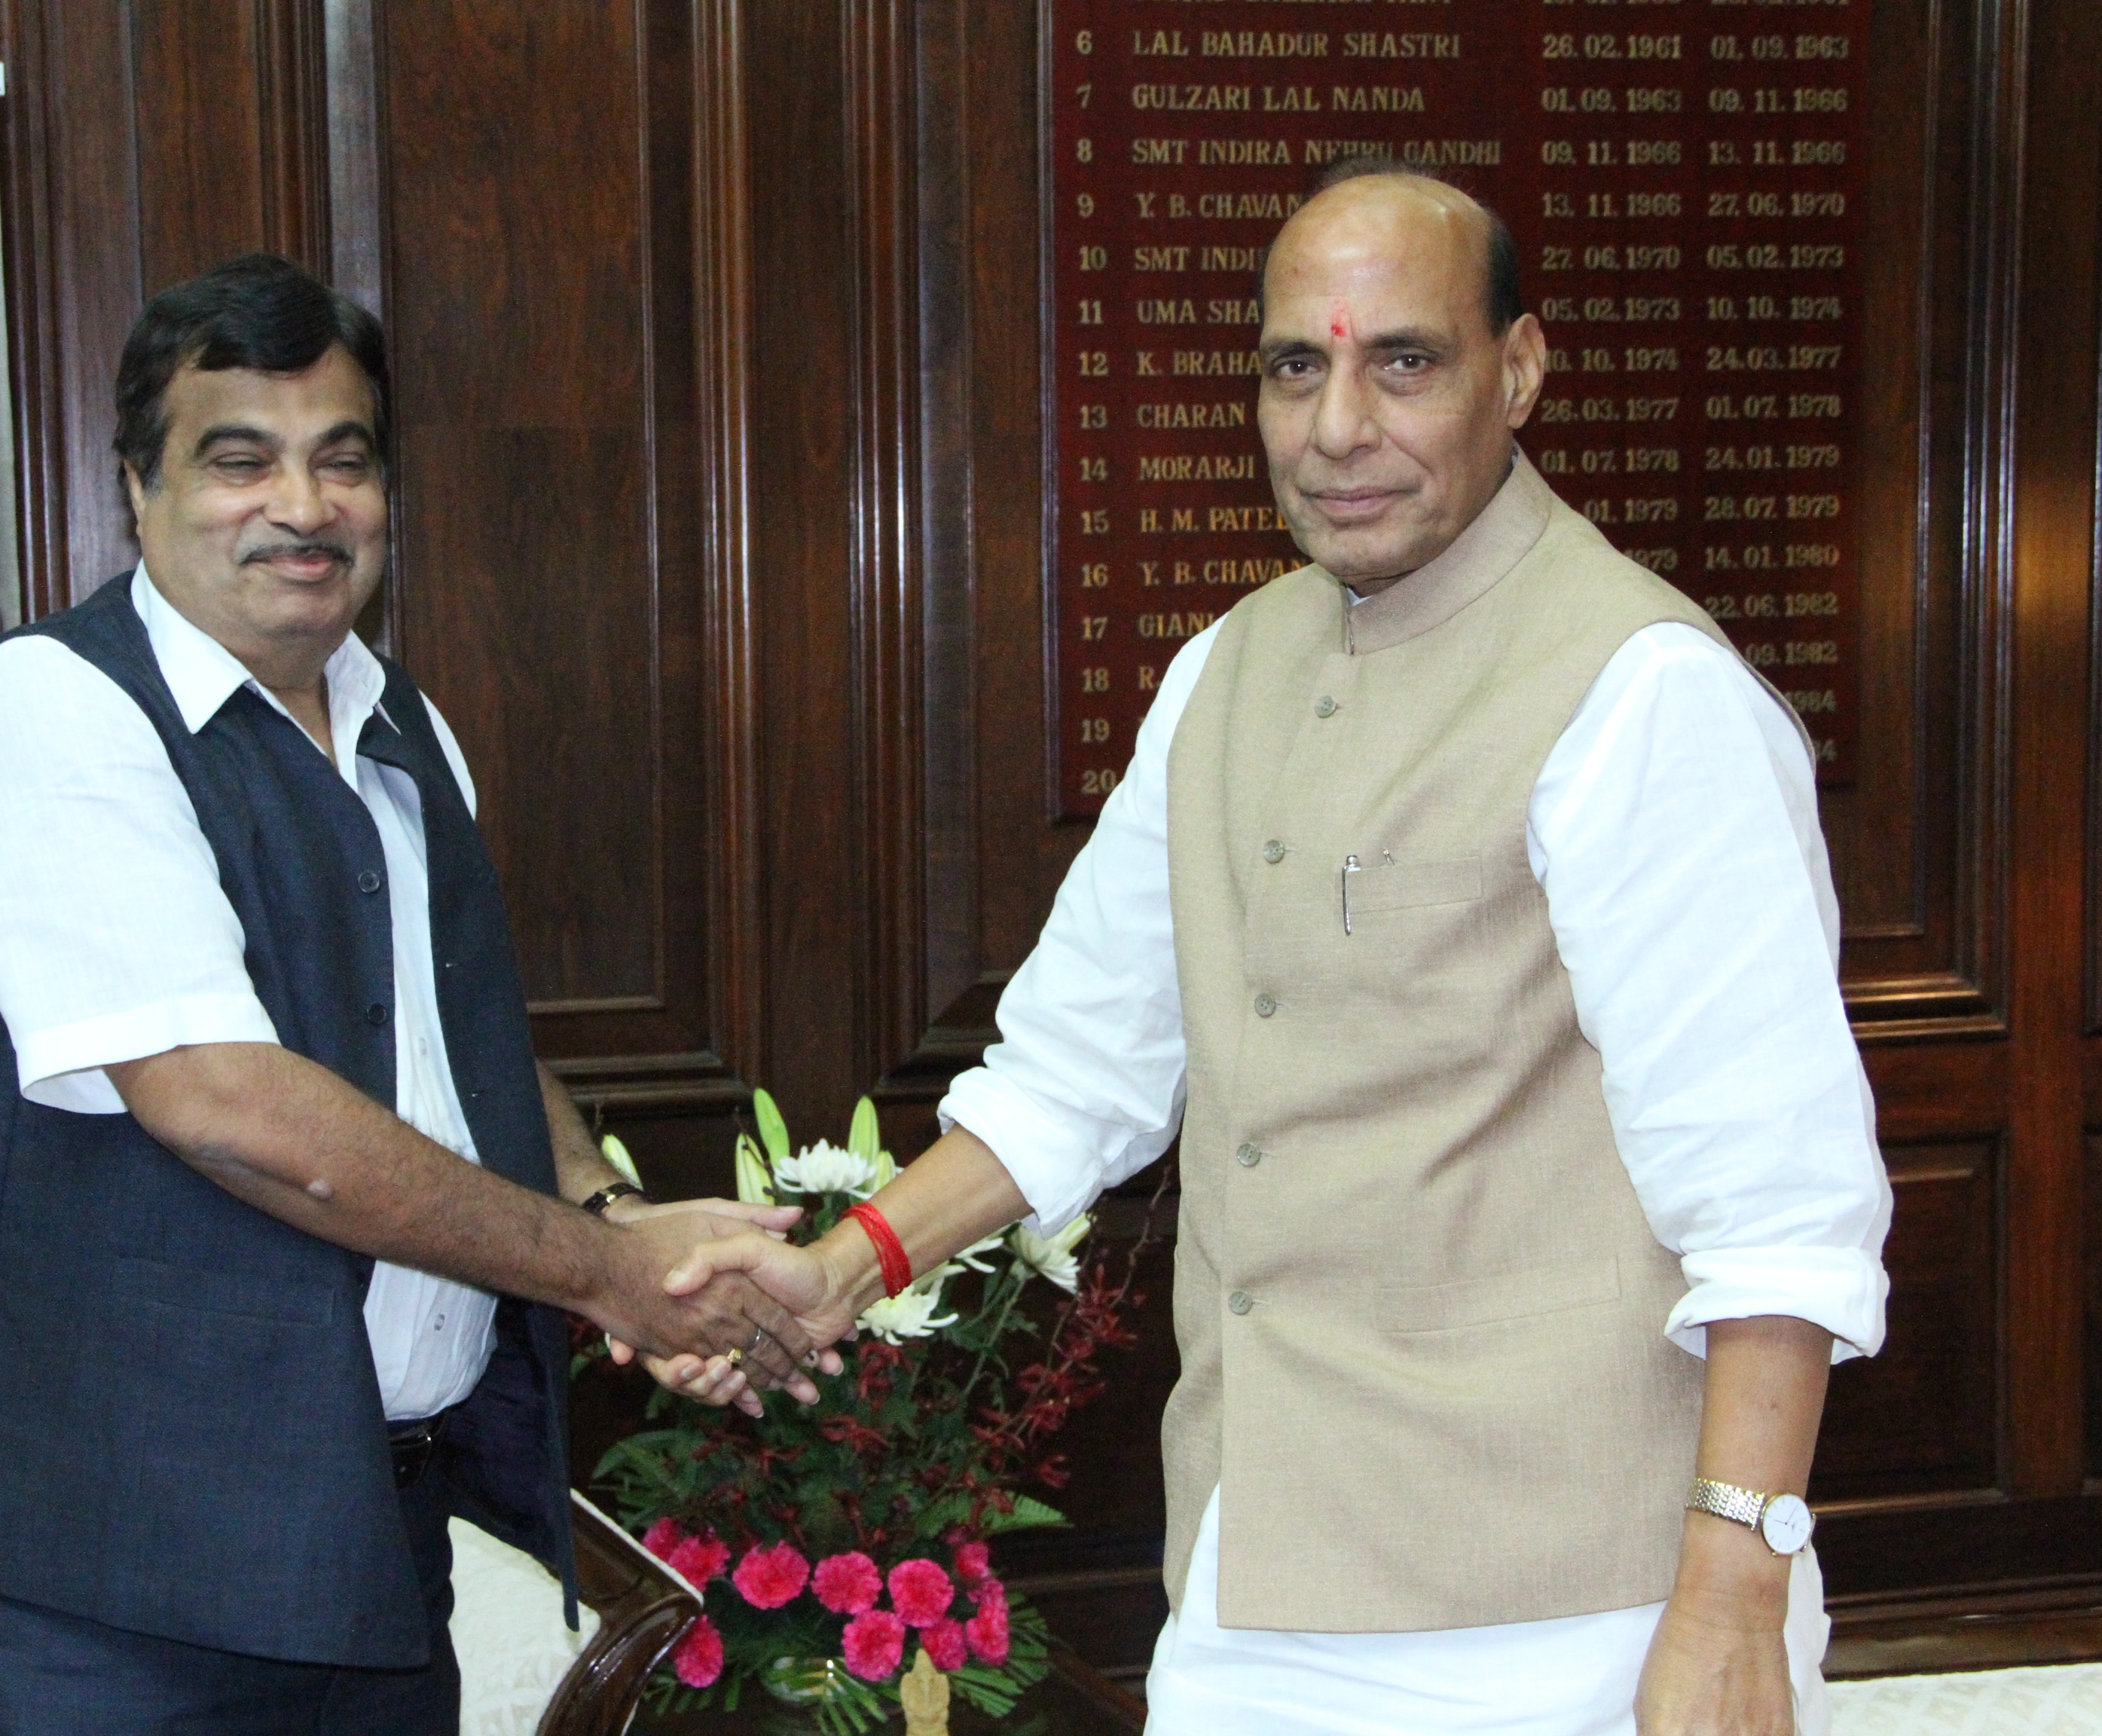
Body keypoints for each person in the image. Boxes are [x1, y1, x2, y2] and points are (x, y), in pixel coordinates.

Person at [658, 164, 1893, 1734]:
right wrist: (836, 1274)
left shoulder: (1645, 689)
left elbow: (1778, 1207)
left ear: (1518, 371)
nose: (1335, 429)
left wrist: (1735, 1592)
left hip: (1577, 1604)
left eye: (1405, 362)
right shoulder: (1224, 671)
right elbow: (1080, 1072)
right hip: (1260, 1569)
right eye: (1295, 366)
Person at [0, 252, 829, 1736]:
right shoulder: (55, 709)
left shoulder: (404, 726)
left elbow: (455, 1050)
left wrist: (621, 1222)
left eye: (343, 462)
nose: (303, 509)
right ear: (137, 487)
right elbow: (229, 1108)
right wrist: (595, 1271)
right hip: (84, 1593)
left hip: (364, 1552)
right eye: (239, 461)